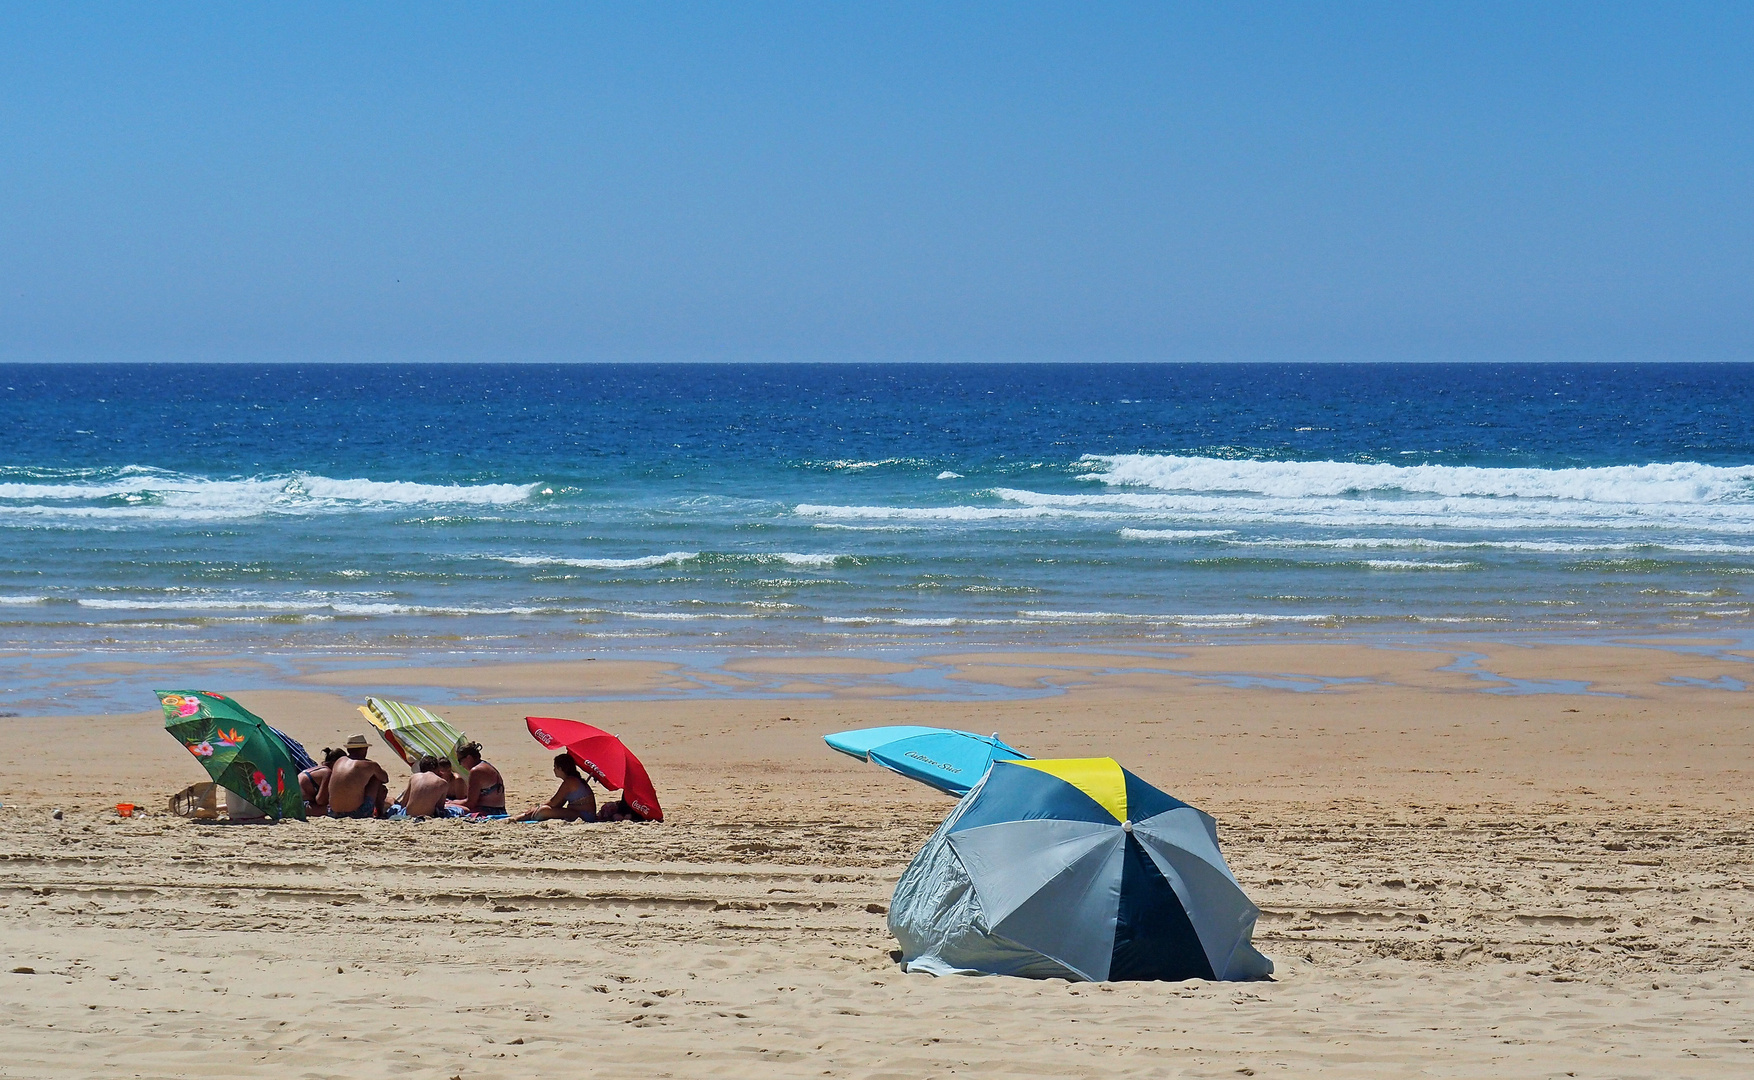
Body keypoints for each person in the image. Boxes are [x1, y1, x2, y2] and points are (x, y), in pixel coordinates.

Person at [317, 734, 389, 819]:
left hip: (333, 812)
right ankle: (380, 814)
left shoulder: (339, 761)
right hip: (356, 813)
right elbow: (385, 779)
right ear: (364, 749)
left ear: (348, 749)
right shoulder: (369, 765)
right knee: (376, 779)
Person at [517, 754, 597, 821]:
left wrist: (536, 808)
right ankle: (518, 818)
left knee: (543, 811)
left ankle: (518, 818)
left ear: (560, 769)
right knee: (541, 810)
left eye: (555, 767)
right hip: (580, 813)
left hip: (585, 816)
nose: (554, 769)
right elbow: (559, 803)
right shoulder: (572, 780)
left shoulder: (569, 782)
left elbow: (553, 802)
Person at [391, 755, 455, 819]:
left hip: (408, 813)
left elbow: (404, 802)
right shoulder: (443, 783)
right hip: (428, 815)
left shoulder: (414, 777)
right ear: (437, 768)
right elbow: (440, 808)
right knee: (457, 810)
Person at [456, 741, 507, 818]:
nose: (460, 764)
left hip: (487, 812)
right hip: (500, 810)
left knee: (447, 808)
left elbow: (470, 803)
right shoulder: (486, 766)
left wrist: (450, 802)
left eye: (460, 760)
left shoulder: (476, 771)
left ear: (469, 758)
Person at [299, 747, 347, 814]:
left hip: (295, 801)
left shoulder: (320, 769)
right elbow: (320, 800)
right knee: (338, 809)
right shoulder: (328, 773)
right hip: (300, 805)